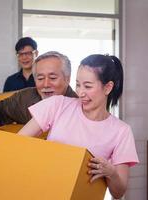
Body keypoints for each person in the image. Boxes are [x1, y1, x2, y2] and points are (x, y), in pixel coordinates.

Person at [18, 54, 139, 199]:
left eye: (87, 86)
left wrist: (111, 172)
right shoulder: (57, 105)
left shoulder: (121, 131)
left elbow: (118, 193)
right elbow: (18, 144)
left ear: (107, 88)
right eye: (78, 84)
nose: (80, 92)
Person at [0, 51, 78, 153]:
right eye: (40, 78)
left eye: (53, 78)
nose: (46, 84)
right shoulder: (25, 98)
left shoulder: (80, 107)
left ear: (67, 79)